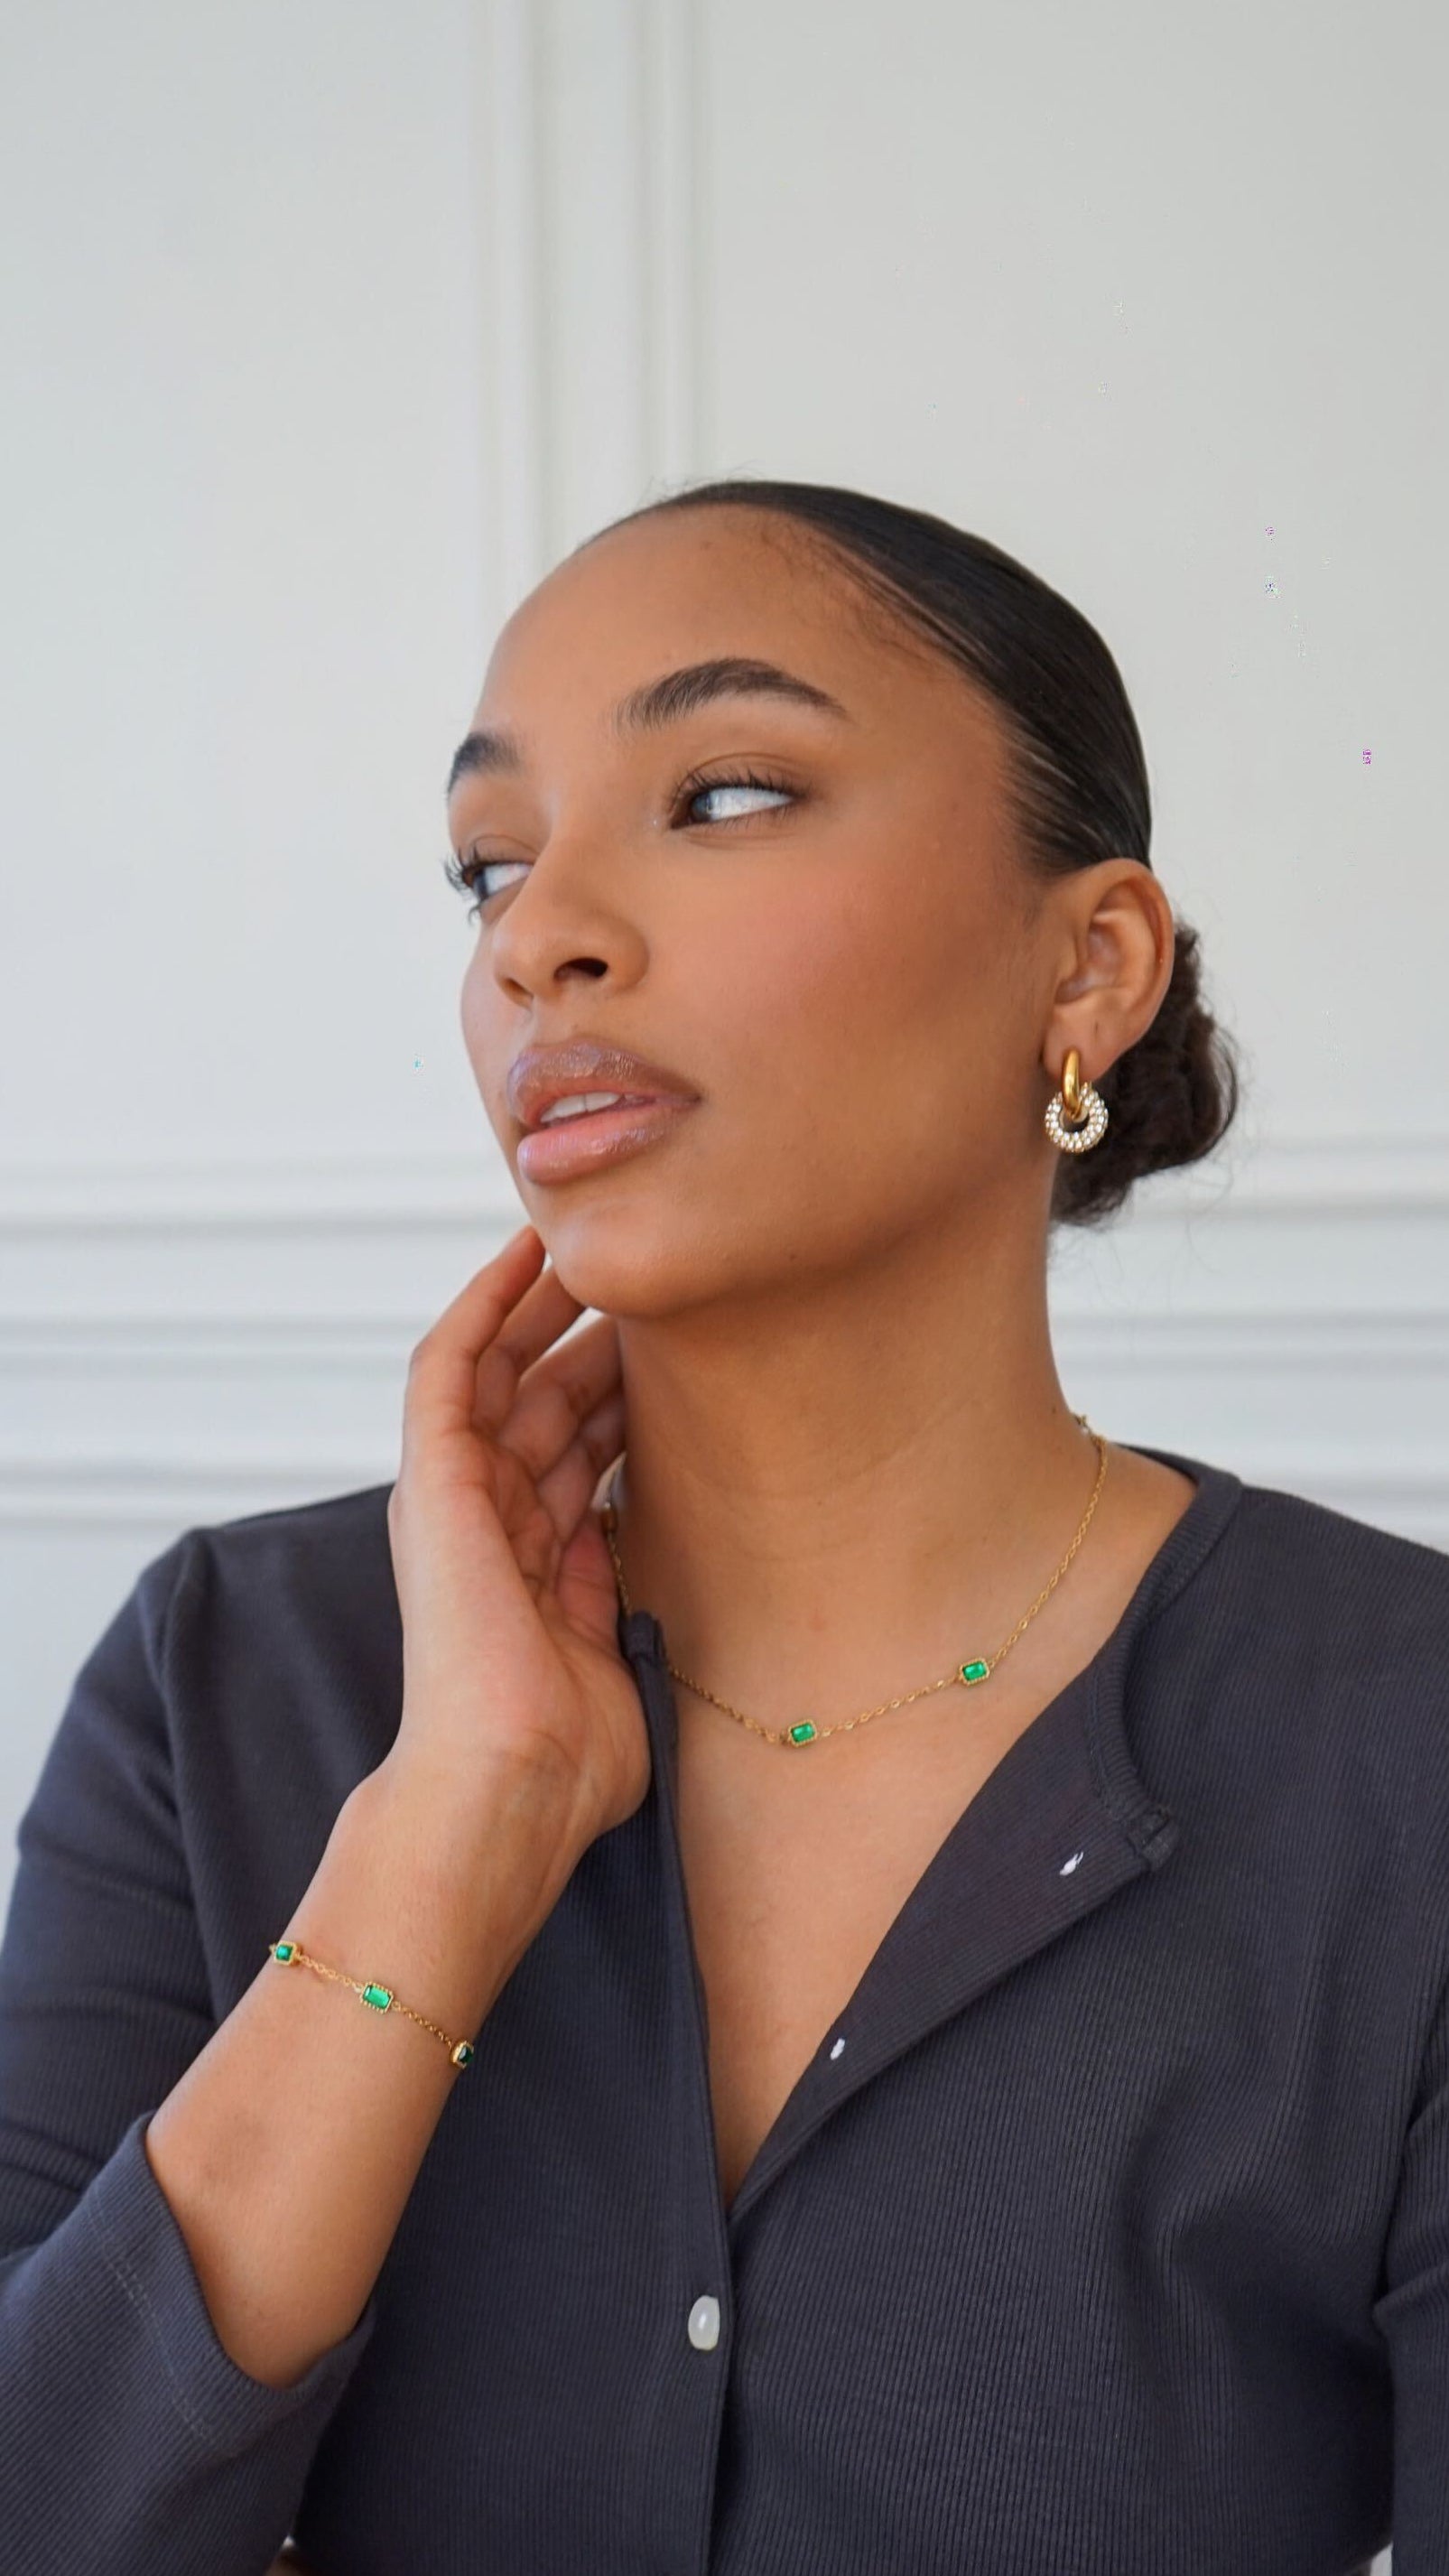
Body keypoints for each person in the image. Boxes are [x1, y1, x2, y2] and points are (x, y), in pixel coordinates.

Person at [1, 476, 1443, 2576]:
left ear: (1090, 961)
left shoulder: (1396, 1745)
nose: (535, 931)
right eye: (488, 860)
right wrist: (443, 1839)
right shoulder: (228, 1675)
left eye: (731, 791)